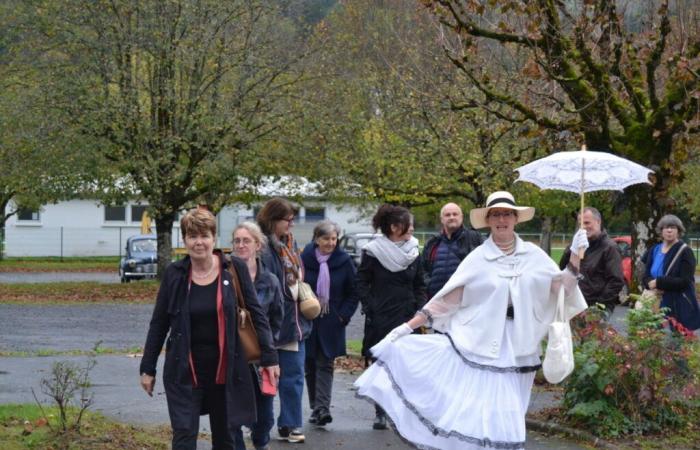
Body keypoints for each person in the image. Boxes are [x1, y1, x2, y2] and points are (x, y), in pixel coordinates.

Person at [354, 191, 588, 449]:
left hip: (520, 345)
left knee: (513, 410)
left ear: (515, 219)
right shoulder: (478, 258)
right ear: (488, 220)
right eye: (496, 214)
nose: (501, 219)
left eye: (506, 214)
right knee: (485, 411)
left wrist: (575, 257)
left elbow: (563, 291)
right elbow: (447, 299)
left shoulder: (534, 255)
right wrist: (406, 328)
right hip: (481, 343)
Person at [139, 209, 280, 450]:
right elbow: (159, 322)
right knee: (183, 435)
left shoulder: (233, 268)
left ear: (214, 238)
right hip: (185, 370)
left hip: (226, 370)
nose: (198, 242)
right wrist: (147, 367)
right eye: (192, 236)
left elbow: (256, 314)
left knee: (226, 437)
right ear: (184, 241)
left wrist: (269, 357)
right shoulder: (175, 274)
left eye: (204, 235)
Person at [355, 204, 427, 430]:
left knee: (406, 365)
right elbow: (361, 281)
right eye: (408, 224)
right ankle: (381, 411)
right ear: (394, 227)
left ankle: (402, 410)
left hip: (408, 317)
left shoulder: (414, 251)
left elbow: (420, 284)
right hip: (381, 316)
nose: (413, 228)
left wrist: (420, 308)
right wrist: (370, 306)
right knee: (381, 364)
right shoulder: (373, 251)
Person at [257, 198, 312, 444]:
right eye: (287, 220)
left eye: (292, 219)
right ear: (272, 220)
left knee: (294, 375)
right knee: (266, 377)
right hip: (270, 322)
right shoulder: (262, 248)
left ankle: (291, 423)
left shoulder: (291, 243)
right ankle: (260, 424)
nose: (291, 224)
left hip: (294, 322)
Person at [300, 220, 359, 427]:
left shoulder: (344, 261)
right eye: (326, 238)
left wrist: (343, 315)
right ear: (317, 239)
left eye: (334, 238)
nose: (331, 243)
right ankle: (316, 406)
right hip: (308, 319)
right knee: (309, 364)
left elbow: (354, 291)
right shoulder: (304, 258)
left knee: (325, 363)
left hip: (332, 320)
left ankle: (322, 408)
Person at [231, 222, 284, 450]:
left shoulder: (270, 281)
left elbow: (277, 319)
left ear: (258, 245)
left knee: (263, 418)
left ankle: (260, 444)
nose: (241, 245)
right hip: (232, 357)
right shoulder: (224, 277)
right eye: (237, 241)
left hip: (262, 359)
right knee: (230, 416)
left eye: (246, 241)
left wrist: (268, 349)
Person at [559, 207, 624, 315]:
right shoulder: (578, 244)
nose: (583, 227)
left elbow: (616, 281)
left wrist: (597, 307)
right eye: (580, 224)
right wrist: (572, 249)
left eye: (587, 223)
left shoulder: (609, 248)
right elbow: (563, 269)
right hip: (574, 305)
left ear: (598, 222)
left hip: (596, 308)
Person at [642, 214, 700, 331]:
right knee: (652, 342)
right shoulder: (654, 250)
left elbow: (685, 281)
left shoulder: (685, 252)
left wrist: (659, 282)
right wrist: (649, 283)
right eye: (666, 227)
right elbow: (645, 275)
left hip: (677, 306)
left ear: (678, 231)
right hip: (654, 303)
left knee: (675, 343)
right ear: (661, 231)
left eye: (673, 227)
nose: (669, 230)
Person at [423, 202, 484, 298]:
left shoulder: (474, 238)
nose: (451, 217)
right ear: (441, 219)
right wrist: (429, 285)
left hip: (465, 302)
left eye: (455, 214)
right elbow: (423, 270)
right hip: (435, 301)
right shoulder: (432, 242)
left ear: (461, 217)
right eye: (447, 215)